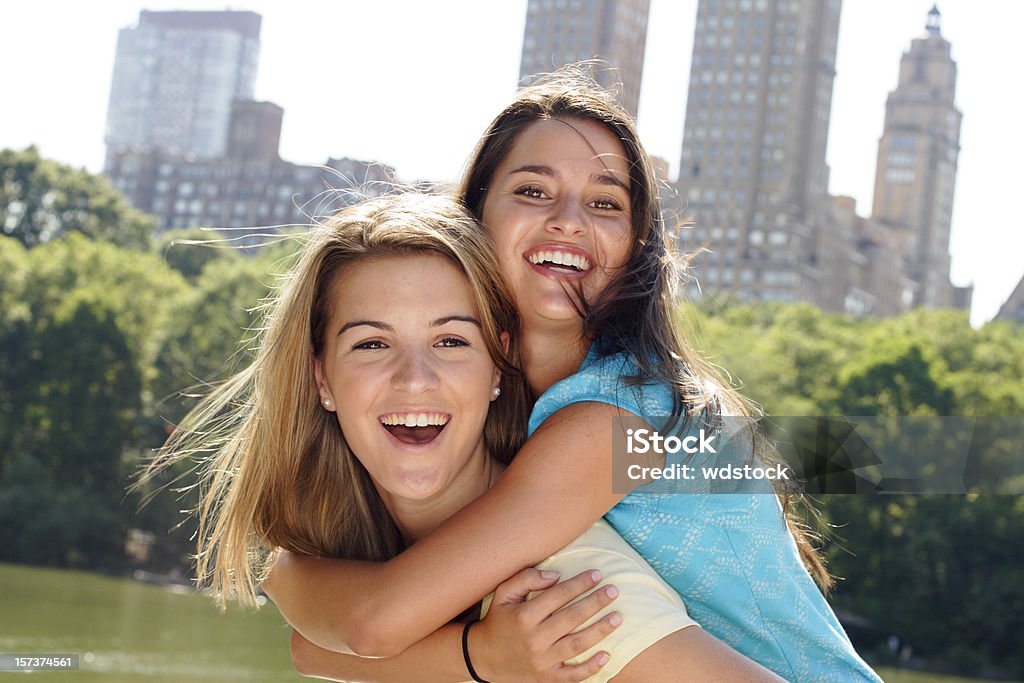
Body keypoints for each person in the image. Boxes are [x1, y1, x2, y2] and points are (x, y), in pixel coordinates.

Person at [262, 67, 882, 682]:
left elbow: (371, 627)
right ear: (474, 215)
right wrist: (296, 577)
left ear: (637, 245)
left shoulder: (613, 422)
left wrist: (296, 577)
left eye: (606, 203)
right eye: (533, 191)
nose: (569, 220)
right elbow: (318, 649)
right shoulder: (505, 407)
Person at [148, 192, 782, 682]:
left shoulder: (567, 594)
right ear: (323, 379)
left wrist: (482, 661)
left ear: (497, 366)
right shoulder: (360, 569)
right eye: (372, 344)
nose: (414, 379)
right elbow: (315, 638)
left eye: (451, 341)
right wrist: (478, 658)